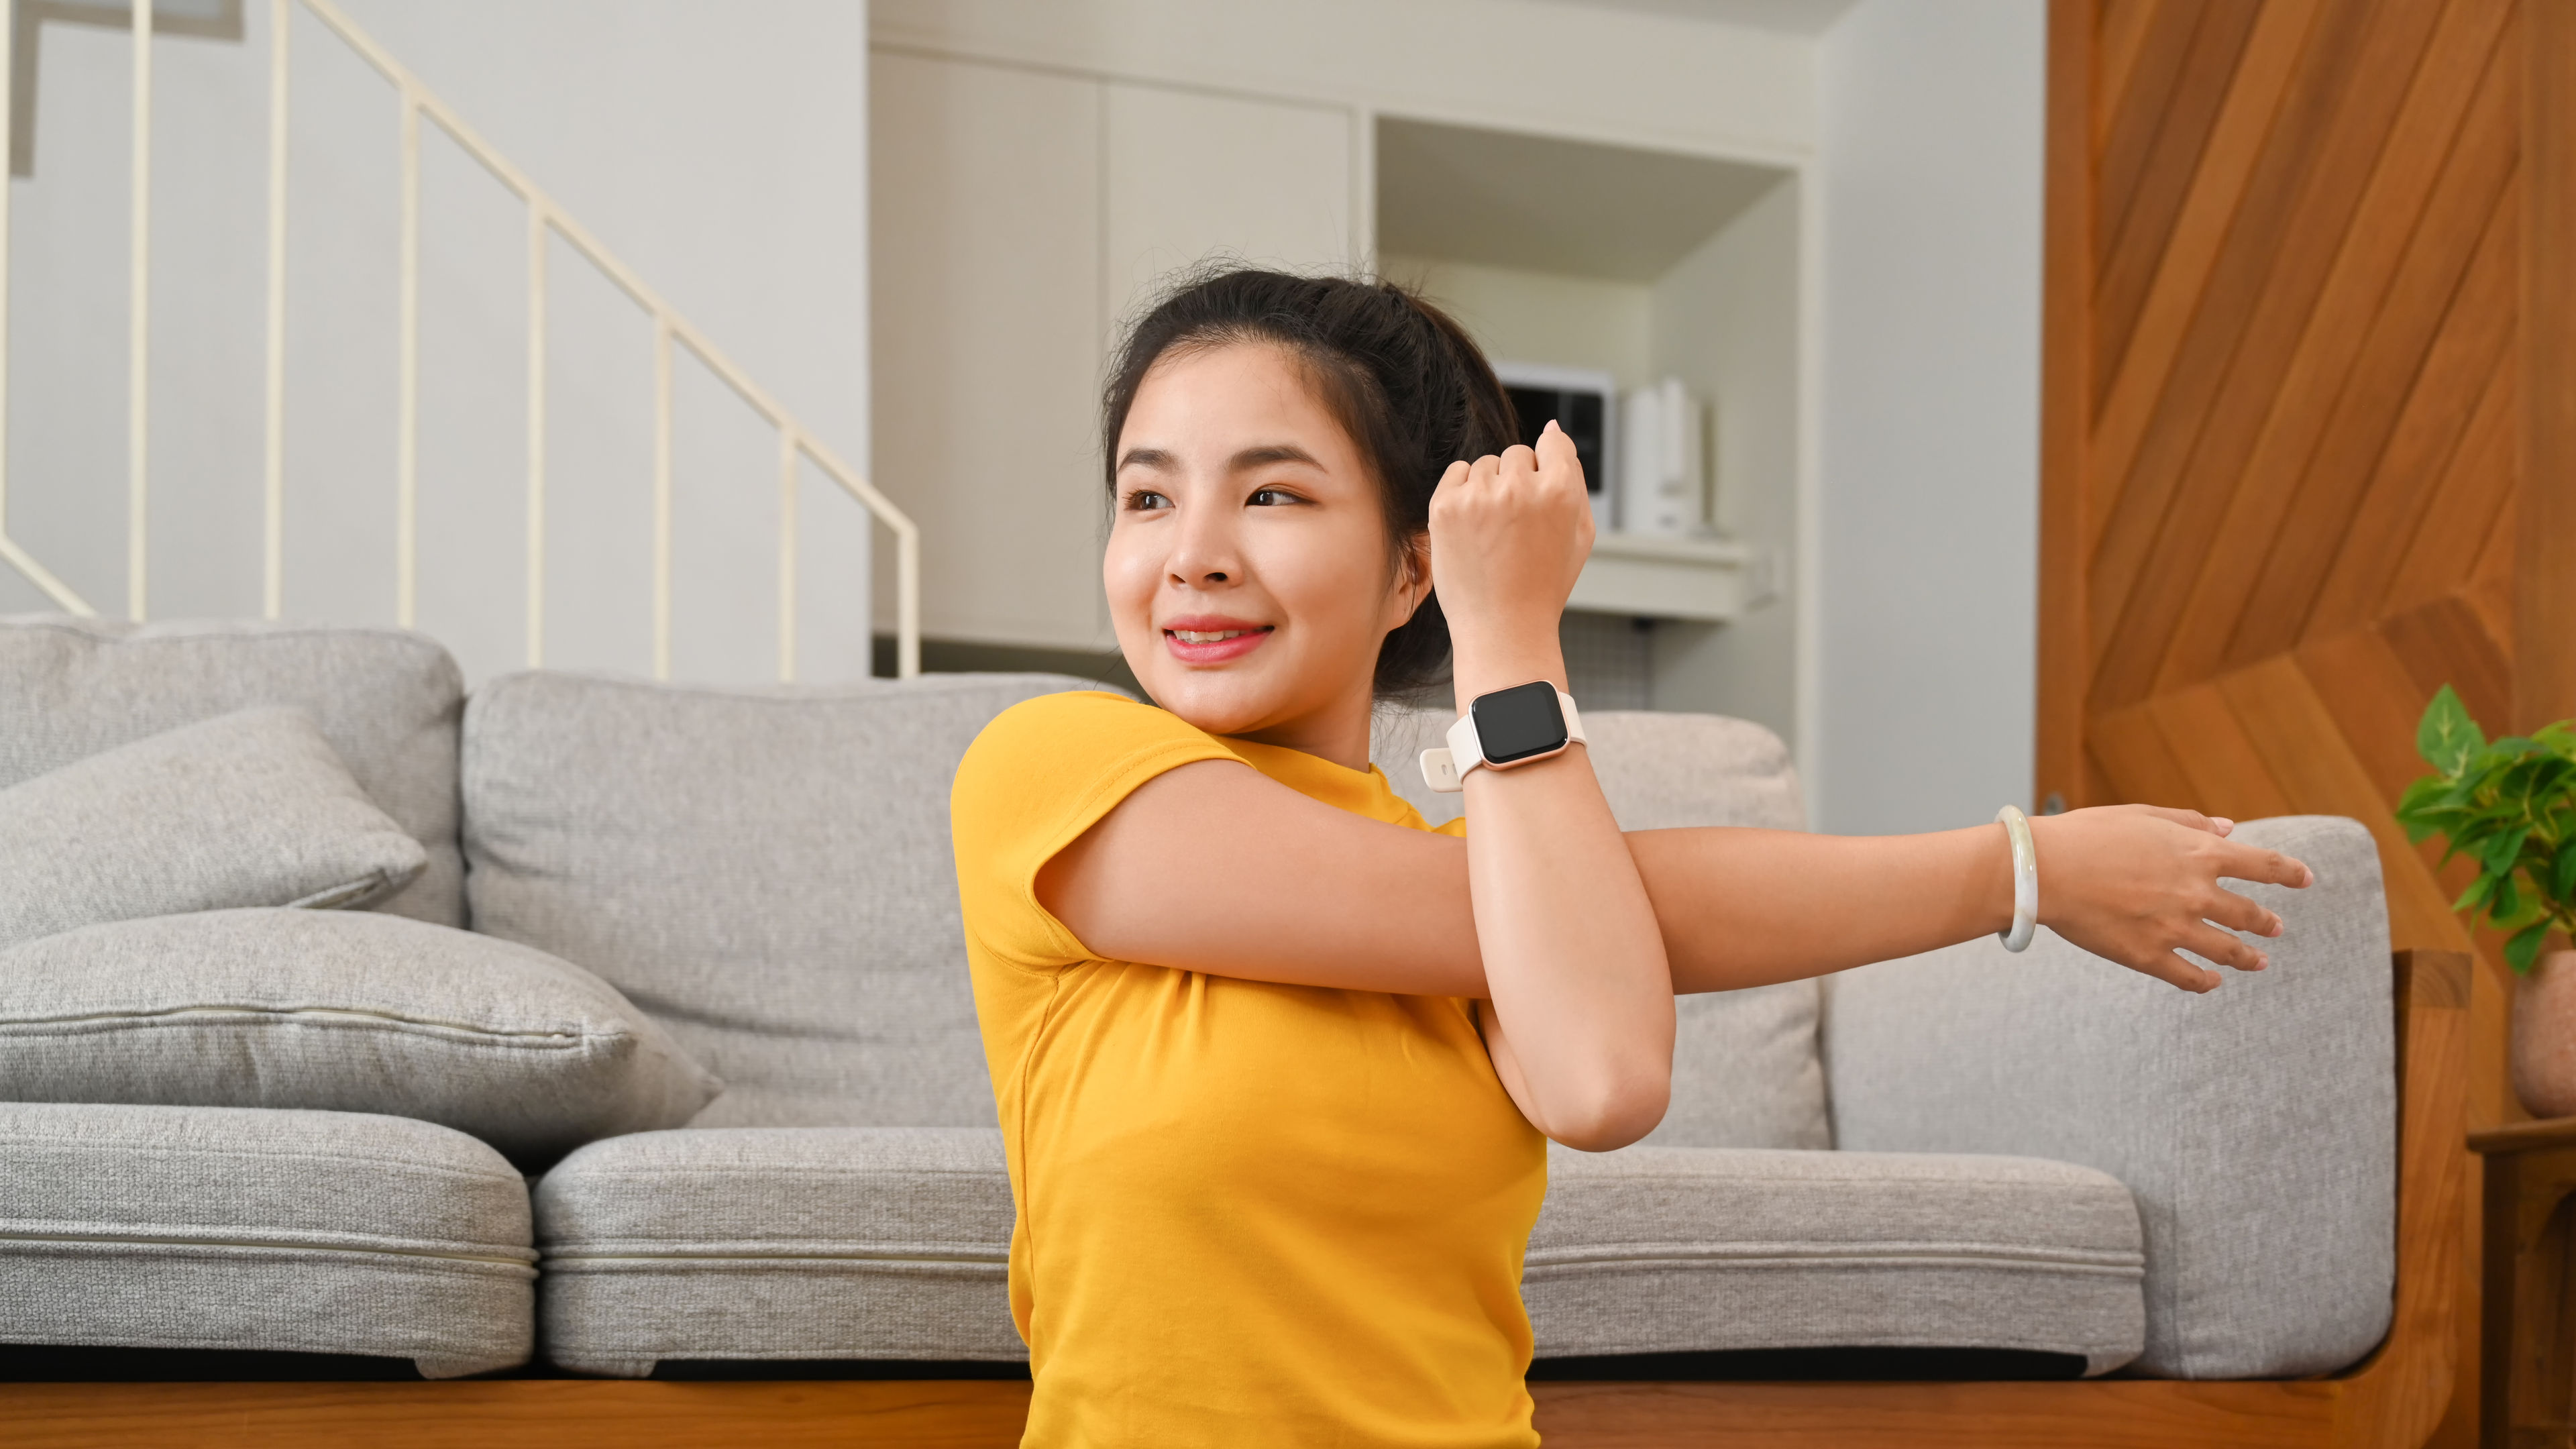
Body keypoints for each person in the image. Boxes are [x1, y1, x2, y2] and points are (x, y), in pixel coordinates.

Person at [948, 268, 2312, 1448]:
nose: (1191, 556)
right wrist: (2029, 871)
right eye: (1146, 498)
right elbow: (1557, 951)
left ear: (1415, 569)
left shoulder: (1520, 870)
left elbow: (1602, 1078)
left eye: (1273, 494)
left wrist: (1508, 647)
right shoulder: (1050, 771)